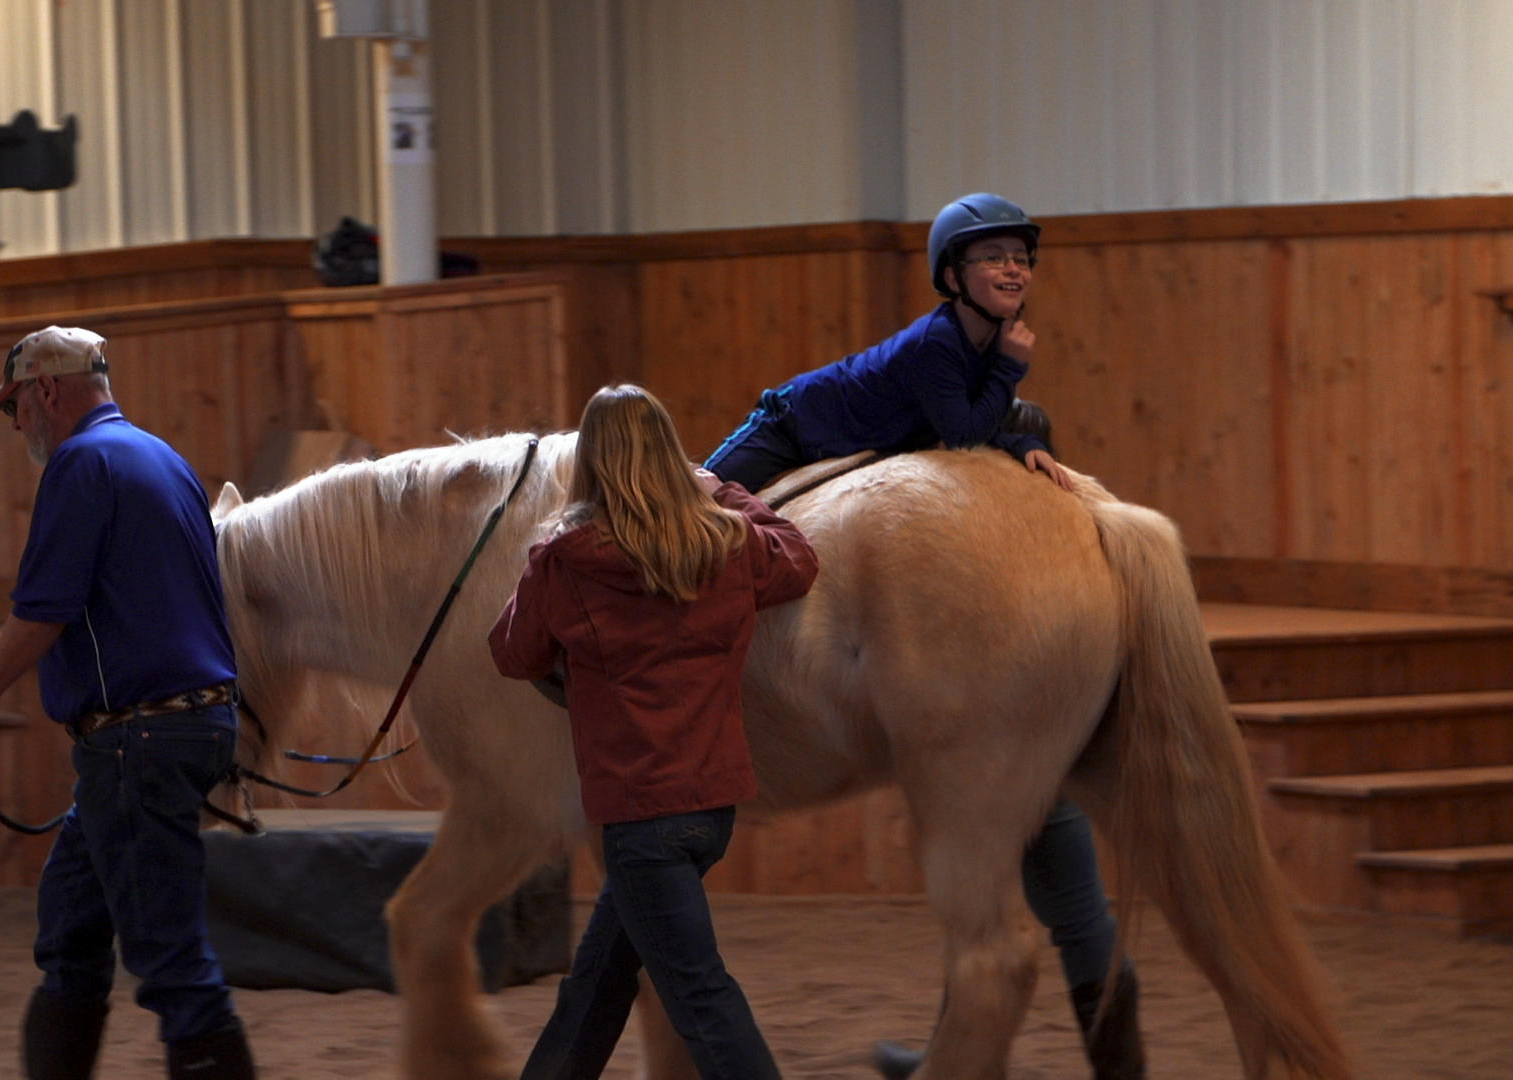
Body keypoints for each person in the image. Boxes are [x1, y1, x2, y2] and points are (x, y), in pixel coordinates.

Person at [0, 326, 255, 1080]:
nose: (17, 426)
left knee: (170, 962)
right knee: (72, 928)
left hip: (134, 739)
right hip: (184, 727)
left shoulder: (81, 465)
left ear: (46, 389)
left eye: (14, 408)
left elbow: (44, 610)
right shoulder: (161, 458)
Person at [490, 384, 819, 1080]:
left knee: (701, 998)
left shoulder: (564, 559)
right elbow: (798, 556)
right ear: (672, 456)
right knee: (597, 987)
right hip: (710, 810)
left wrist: (542, 556)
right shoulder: (727, 543)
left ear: (592, 465)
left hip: (639, 817)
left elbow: (512, 653)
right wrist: (725, 491)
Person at [870, 398, 1144, 1080]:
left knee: (1003, 909)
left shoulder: (1003, 548)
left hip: (1012, 749)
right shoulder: (1075, 528)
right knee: (1030, 910)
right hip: (1054, 747)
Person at [703, 191, 1073, 494]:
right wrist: (1009, 368)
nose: (1013, 268)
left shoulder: (995, 338)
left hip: (842, 447)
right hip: (792, 426)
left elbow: (975, 421)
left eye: (1022, 259)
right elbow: (962, 437)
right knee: (698, 496)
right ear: (954, 277)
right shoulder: (938, 340)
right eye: (994, 257)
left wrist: (1022, 443)